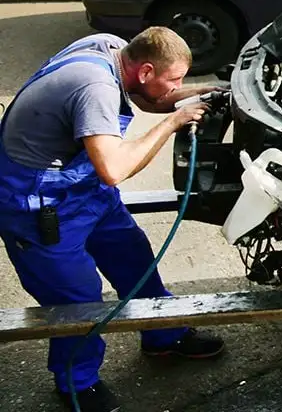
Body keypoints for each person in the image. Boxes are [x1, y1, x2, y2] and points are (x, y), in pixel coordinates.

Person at [0, 28, 227, 412]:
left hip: (82, 188)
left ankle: (163, 334)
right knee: (77, 301)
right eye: (174, 79)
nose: (177, 86)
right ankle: (77, 383)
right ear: (144, 70)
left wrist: (208, 93)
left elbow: (154, 98)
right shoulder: (96, 89)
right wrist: (173, 123)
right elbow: (113, 169)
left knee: (134, 259)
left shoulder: (114, 48)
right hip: (37, 202)